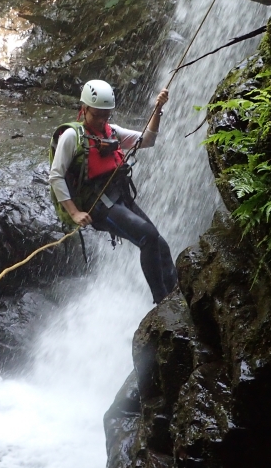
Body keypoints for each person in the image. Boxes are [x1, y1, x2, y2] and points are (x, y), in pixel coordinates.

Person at [49, 79, 178, 303]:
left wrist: (158, 111)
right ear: (84, 109)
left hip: (120, 197)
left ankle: (177, 295)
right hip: (98, 206)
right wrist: (74, 213)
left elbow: (146, 140)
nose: (101, 121)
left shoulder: (112, 133)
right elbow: (56, 176)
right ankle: (162, 302)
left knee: (161, 246)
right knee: (148, 236)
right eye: (96, 115)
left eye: (105, 116)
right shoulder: (72, 137)